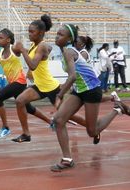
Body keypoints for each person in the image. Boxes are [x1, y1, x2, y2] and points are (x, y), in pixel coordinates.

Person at [50, 24, 130, 172]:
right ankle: (67, 159)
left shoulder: (69, 52)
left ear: (69, 39)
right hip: (80, 90)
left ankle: (117, 109)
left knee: (92, 132)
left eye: (60, 35)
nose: (56, 37)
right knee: (59, 120)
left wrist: (59, 95)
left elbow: (73, 76)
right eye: (57, 34)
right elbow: (74, 76)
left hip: (92, 90)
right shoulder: (65, 52)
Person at [12, 14, 80, 142]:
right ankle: (26, 134)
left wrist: (23, 51)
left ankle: (93, 127)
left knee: (69, 114)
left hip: (50, 87)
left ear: (41, 33)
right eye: (29, 31)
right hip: (39, 86)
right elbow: (21, 54)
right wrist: (17, 49)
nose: (29, 34)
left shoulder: (42, 46)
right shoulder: (34, 45)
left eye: (32, 32)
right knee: (20, 101)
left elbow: (32, 65)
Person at [0, 28, 51, 138]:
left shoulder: (14, 49)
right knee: (28, 108)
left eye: (1, 38)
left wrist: (42, 51)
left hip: (19, 82)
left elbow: (30, 53)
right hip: (13, 83)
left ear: (8, 40)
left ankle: (5, 128)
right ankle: (50, 122)